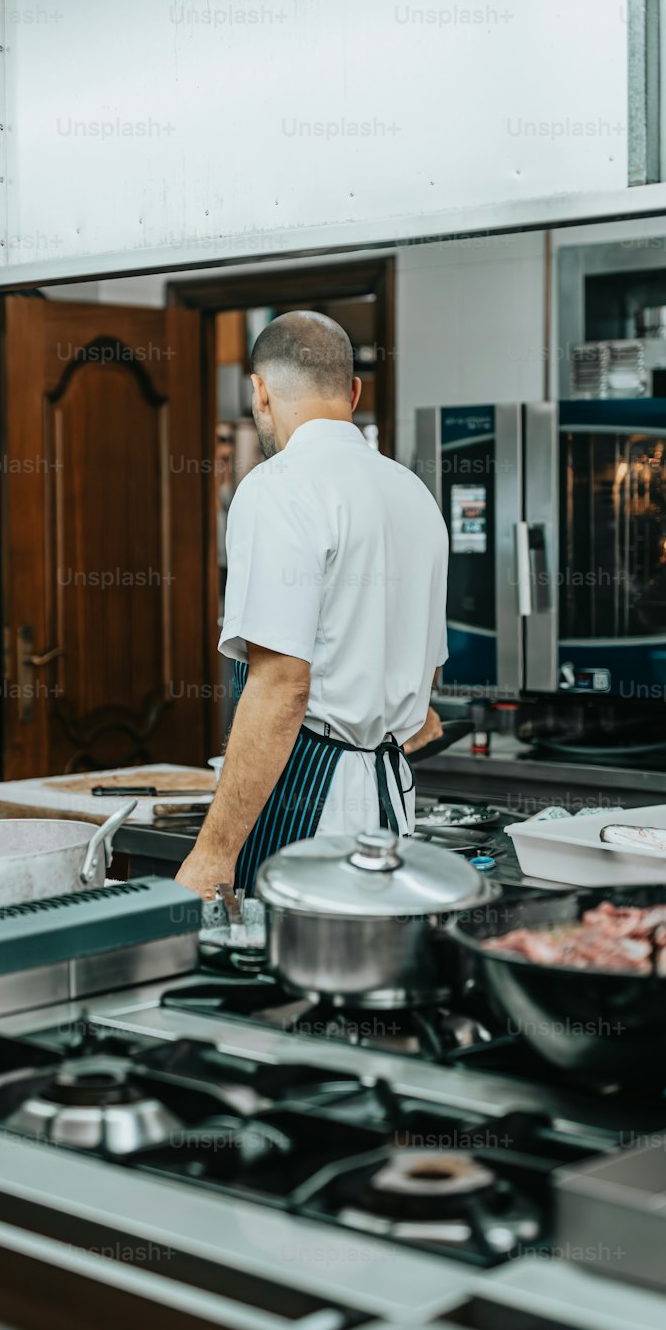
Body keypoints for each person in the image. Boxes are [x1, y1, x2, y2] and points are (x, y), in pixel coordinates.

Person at [176, 310, 449, 900]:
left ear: (260, 391)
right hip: (391, 813)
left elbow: (282, 688)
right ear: (354, 391)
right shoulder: (415, 494)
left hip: (311, 812)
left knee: (291, 982)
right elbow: (424, 686)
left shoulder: (278, 487)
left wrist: (212, 854)